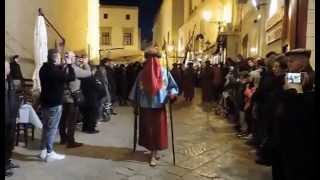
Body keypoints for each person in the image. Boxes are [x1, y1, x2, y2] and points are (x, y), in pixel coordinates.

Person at [129, 47, 178, 167]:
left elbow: (172, 86)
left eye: (154, 57)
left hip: (159, 106)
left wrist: (172, 93)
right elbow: (135, 90)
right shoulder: (142, 74)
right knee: (148, 130)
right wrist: (135, 102)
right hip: (145, 107)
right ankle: (152, 151)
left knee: (158, 131)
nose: (152, 60)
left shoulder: (164, 72)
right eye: (150, 58)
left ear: (158, 58)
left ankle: (155, 151)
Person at [272, 49, 315, 180]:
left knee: (295, 168)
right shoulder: (289, 77)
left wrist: (296, 91)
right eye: (288, 62)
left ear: (303, 62)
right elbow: (276, 96)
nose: (289, 65)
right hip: (284, 129)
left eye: (292, 61)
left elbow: (301, 104)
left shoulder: (311, 77)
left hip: (299, 133)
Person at [39, 49, 76, 162]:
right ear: (55, 58)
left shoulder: (43, 68)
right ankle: (50, 153)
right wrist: (69, 65)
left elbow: (57, 72)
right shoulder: (55, 72)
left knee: (46, 127)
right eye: (59, 57)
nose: (61, 59)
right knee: (52, 128)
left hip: (45, 102)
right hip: (54, 103)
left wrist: (62, 65)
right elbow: (71, 77)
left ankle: (44, 150)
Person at [59, 51, 91, 148]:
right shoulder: (74, 69)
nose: (77, 58)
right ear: (72, 58)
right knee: (72, 120)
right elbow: (88, 73)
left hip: (62, 97)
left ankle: (63, 138)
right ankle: (71, 141)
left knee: (63, 119)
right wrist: (85, 63)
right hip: (72, 98)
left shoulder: (62, 67)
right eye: (75, 57)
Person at [80, 65, 107, 134]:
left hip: (84, 98)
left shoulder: (81, 78)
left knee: (86, 114)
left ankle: (84, 128)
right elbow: (98, 88)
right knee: (92, 114)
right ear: (92, 71)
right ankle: (91, 129)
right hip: (92, 98)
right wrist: (102, 92)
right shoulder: (91, 78)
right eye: (94, 71)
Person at [5, 60, 20, 177]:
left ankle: (7, 162)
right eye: (6, 67)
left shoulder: (9, 80)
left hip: (11, 116)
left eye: (8, 66)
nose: (8, 68)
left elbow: (13, 98)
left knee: (10, 141)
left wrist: (16, 114)